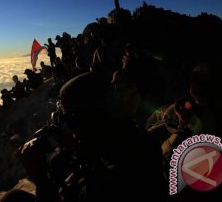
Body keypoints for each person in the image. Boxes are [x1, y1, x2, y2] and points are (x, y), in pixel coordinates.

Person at [16, 71, 167, 201]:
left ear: (88, 120)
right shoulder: (125, 134)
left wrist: (43, 182)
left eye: (70, 118)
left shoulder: (113, 175)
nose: (69, 127)